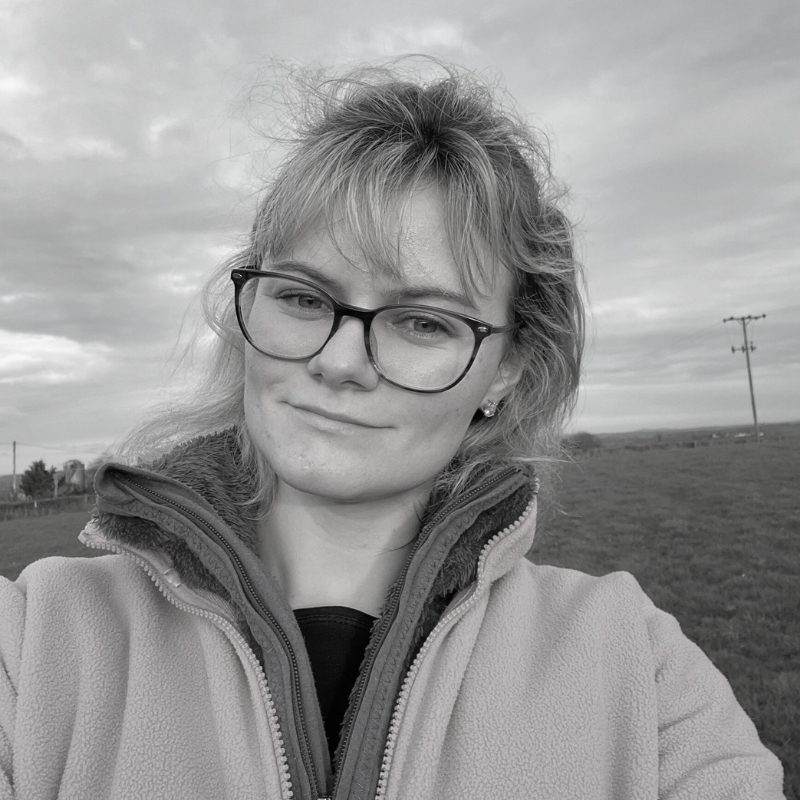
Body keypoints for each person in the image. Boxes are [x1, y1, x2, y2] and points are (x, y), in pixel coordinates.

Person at [0, 59, 785, 800]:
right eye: (304, 298)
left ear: (507, 369)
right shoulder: (33, 645)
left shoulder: (634, 666)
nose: (341, 361)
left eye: (421, 321)